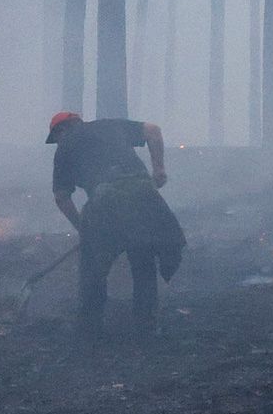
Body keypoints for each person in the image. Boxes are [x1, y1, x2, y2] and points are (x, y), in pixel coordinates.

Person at [47, 111, 186, 337]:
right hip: (144, 195)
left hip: (106, 202)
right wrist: (159, 169)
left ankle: (90, 329)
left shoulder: (64, 147)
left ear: (60, 131)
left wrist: (83, 228)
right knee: (143, 260)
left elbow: (61, 197)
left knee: (93, 269)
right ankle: (146, 325)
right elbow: (153, 130)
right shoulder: (109, 124)